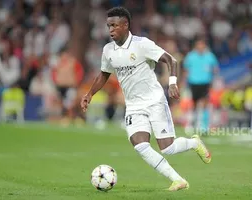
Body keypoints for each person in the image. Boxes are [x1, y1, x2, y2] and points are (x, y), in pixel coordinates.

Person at [80, 7, 211, 191]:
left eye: (114, 25)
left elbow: (171, 60)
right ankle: (178, 180)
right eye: (108, 26)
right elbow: (104, 74)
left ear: (126, 25)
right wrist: (90, 94)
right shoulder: (108, 50)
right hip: (133, 106)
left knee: (167, 148)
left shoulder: (142, 44)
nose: (110, 30)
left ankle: (194, 143)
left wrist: (172, 83)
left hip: (154, 101)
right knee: (140, 145)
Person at [183, 38, 219, 132]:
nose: (201, 47)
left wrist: (212, 76)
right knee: (194, 104)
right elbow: (186, 69)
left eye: (202, 45)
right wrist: (184, 81)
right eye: (199, 45)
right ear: (196, 46)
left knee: (204, 104)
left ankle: (204, 126)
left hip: (205, 83)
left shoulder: (210, 56)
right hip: (193, 82)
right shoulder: (191, 56)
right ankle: (192, 123)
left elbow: (215, 68)